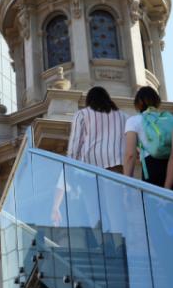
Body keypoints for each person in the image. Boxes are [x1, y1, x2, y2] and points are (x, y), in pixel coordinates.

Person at [52, 86, 126, 226]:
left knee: (95, 211)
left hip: (89, 171)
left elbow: (74, 146)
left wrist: (70, 170)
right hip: (116, 169)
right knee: (115, 211)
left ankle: (105, 243)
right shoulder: (123, 117)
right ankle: (119, 244)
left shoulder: (82, 114)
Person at [123, 86, 173, 185]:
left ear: (138, 103)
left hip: (152, 167)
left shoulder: (134, 121)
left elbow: (130, 155)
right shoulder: (172, 119)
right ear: (157, 101)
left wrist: (126, 182)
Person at [65, 86, 127, 172]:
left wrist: (69, 165)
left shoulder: (82, 114)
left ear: (89, 100)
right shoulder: (123, 116)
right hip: (117, 165)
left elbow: (75, 143)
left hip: (90, 166)